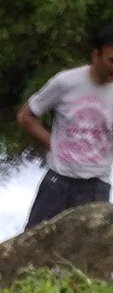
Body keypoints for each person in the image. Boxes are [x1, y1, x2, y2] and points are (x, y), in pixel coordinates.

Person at [18, 27, 113, 228]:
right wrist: (53, 144)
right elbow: (26, 117)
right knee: (34, 242)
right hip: (57, 181)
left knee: (88, 248)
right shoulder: (66, 82)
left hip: (96, 186)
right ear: (96, 55)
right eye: (111, 60)